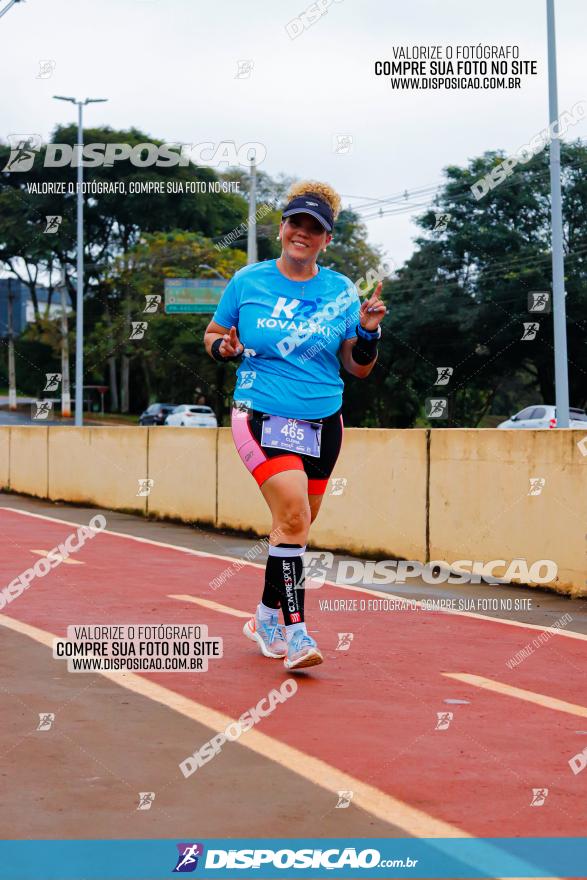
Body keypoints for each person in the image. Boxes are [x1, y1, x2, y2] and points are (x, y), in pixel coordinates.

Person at [204, 180, 386, 671]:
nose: (302, 233)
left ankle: (264, 615)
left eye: (315, 228)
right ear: (282, 227)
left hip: (325, 420)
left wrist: (368, 331)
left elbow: (358, 366)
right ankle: (297, 634)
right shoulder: (249, 281)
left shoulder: (341, 291)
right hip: (261, 412)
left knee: (295, 525)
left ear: (327, 239)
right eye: (295, 223)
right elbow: (216, 333)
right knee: (293, 518)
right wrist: (225, 348)